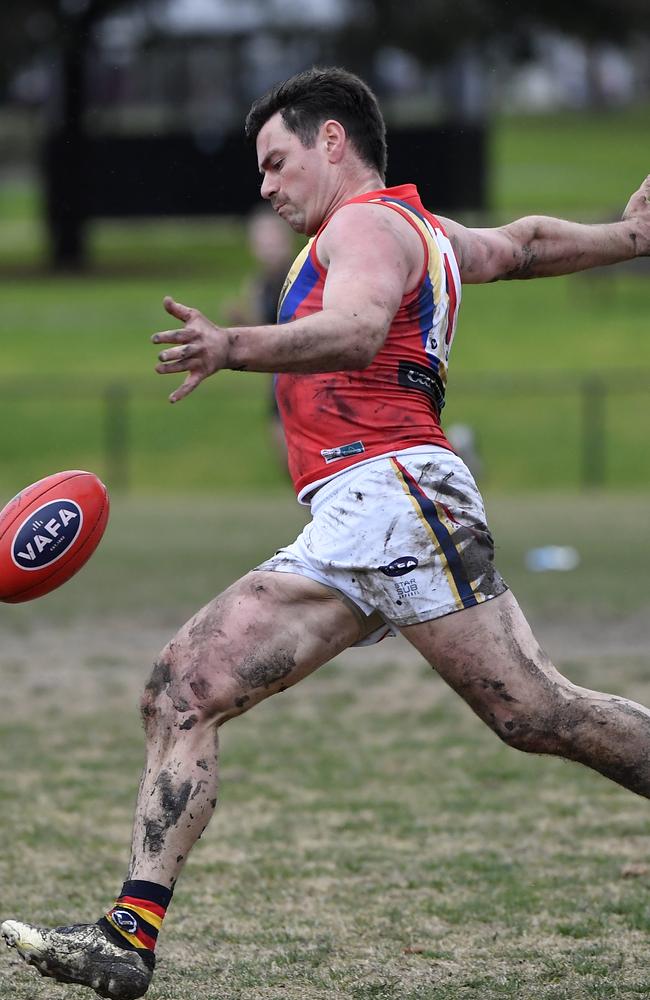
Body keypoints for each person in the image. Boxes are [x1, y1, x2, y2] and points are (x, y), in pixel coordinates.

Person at [3, 66, 650, 1000]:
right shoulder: (419, 230)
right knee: (185, 688)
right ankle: (125, 937)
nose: (265, 186)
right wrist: (630, 236)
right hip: (363, 511)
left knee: (536, 711)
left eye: (276, 161)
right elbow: (524, 244)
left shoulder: (362, 227)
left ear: (333, 141)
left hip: (394, 492)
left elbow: (355, 331)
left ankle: (126, 933)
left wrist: (236, 344)